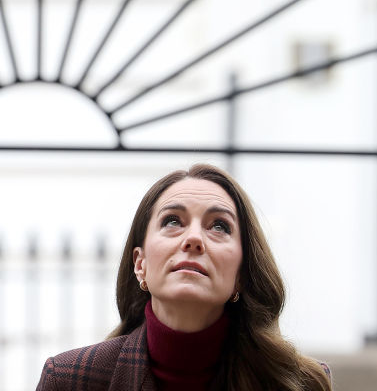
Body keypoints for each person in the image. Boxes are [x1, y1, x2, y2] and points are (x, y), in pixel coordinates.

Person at [35, 163, 331, 391]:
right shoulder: (70, 379)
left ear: (241, 275)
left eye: (220, 227)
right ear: (141, 265)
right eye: (173, 221)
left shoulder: (300, 384)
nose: (193, 239)